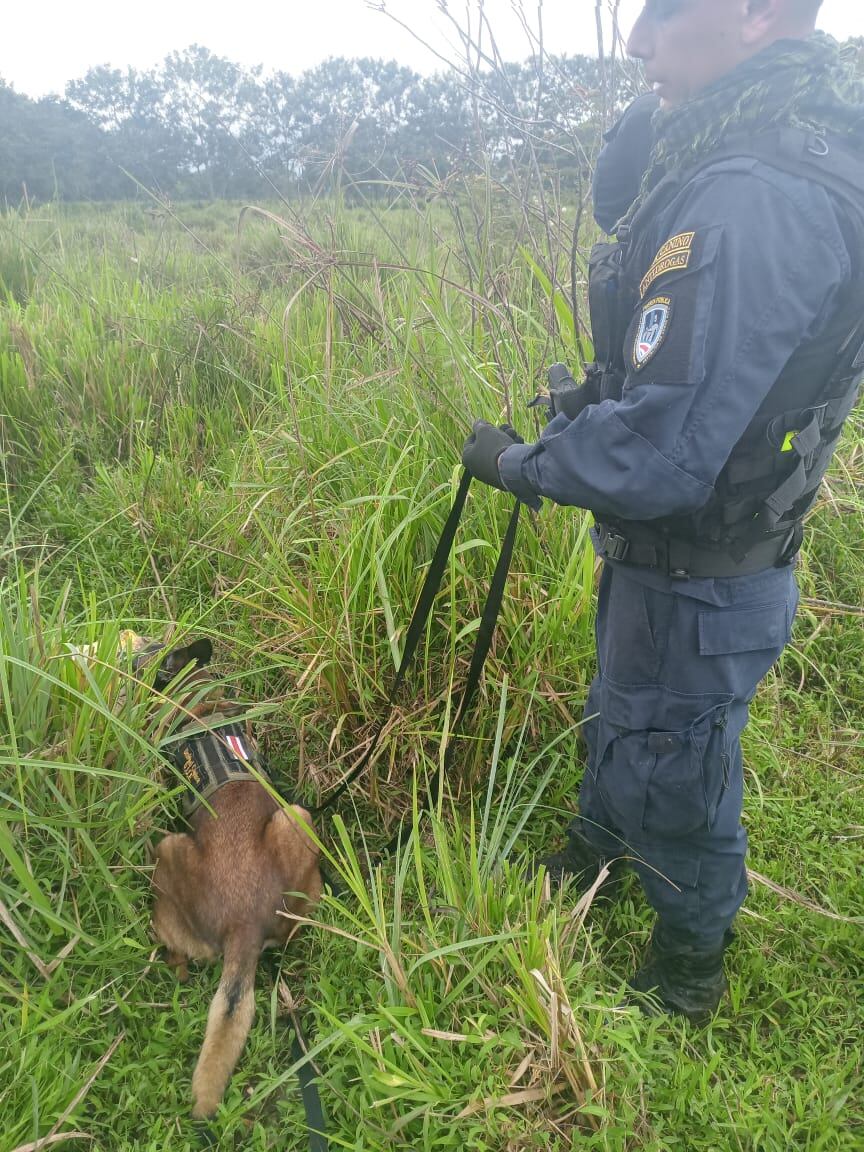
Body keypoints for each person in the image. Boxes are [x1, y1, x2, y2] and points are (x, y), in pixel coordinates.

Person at [461, 0, 864, 1023]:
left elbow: (664, 452)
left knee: (678, 769)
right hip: (683, 560)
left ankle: (688, 966)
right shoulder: (764, 148)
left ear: (755, 13)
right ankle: (598, 851)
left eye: (663, 10)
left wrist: (520, 464)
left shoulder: (755, 198)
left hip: (703, 572)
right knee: (626, 714)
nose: (637, 41)